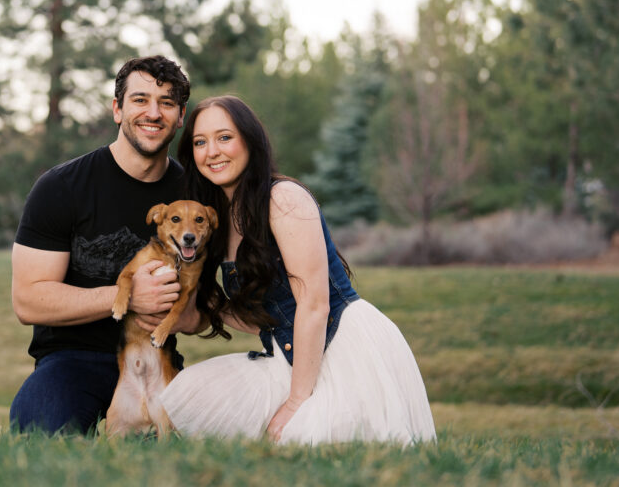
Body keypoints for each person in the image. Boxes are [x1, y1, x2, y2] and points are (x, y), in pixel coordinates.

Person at [159, 95, 436, 445]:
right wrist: (199, 308)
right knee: (192, 391)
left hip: (341, 345)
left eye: (224, 137)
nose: (212, 151)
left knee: (308, 439)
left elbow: (314, 304)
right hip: (285, 352)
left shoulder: (282, 198)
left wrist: (296, 401)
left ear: (250, 141)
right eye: (200, 142)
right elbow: (269, 316)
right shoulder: (216, 220)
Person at [10, 55, 198, 435]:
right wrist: (128, 296)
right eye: (140, 99)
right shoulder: (61, 187)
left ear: (180, 116)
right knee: (38, 433)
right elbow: (28, 301)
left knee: (191, 451)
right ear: (117, 109)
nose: (153, 112)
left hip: (156, 358)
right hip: (72, 360)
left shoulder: (191, 200)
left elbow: (202, 308)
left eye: (166, 102)